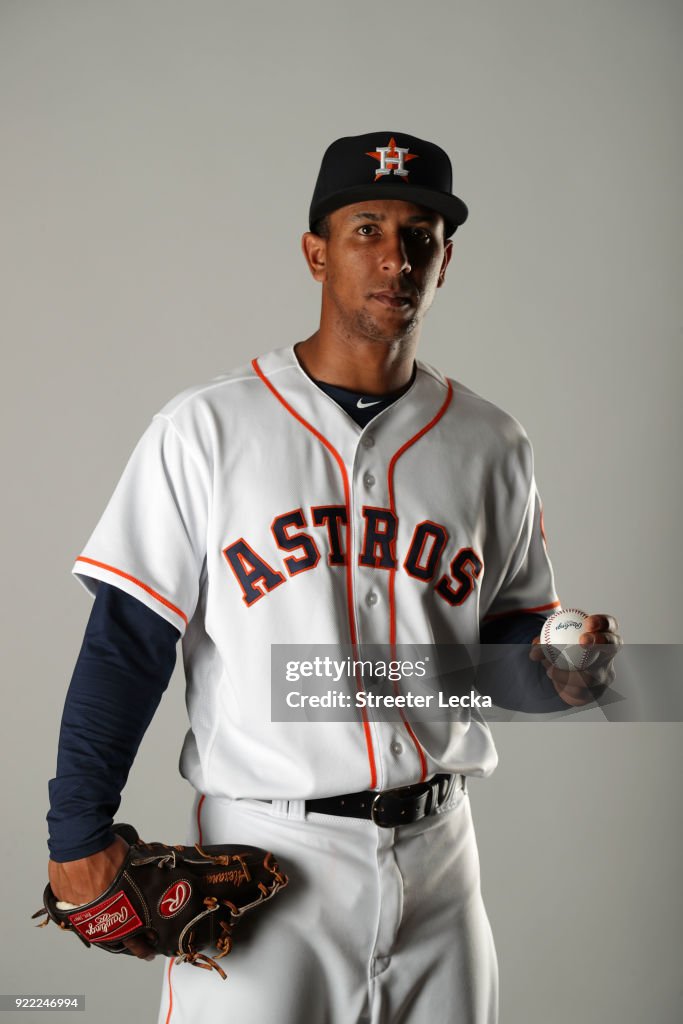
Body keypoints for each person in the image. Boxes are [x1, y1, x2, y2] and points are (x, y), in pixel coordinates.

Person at [45, 131, 621, 1024]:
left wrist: (562, 669)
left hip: (440, 861)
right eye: (367, 228)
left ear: (445, 260)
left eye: (420, 236)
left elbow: (504, 652)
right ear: (316, 250)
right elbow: (127, 643)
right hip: (266, 856)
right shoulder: (205, 429)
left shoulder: (491, 443)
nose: (396, 258)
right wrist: (76, 833)